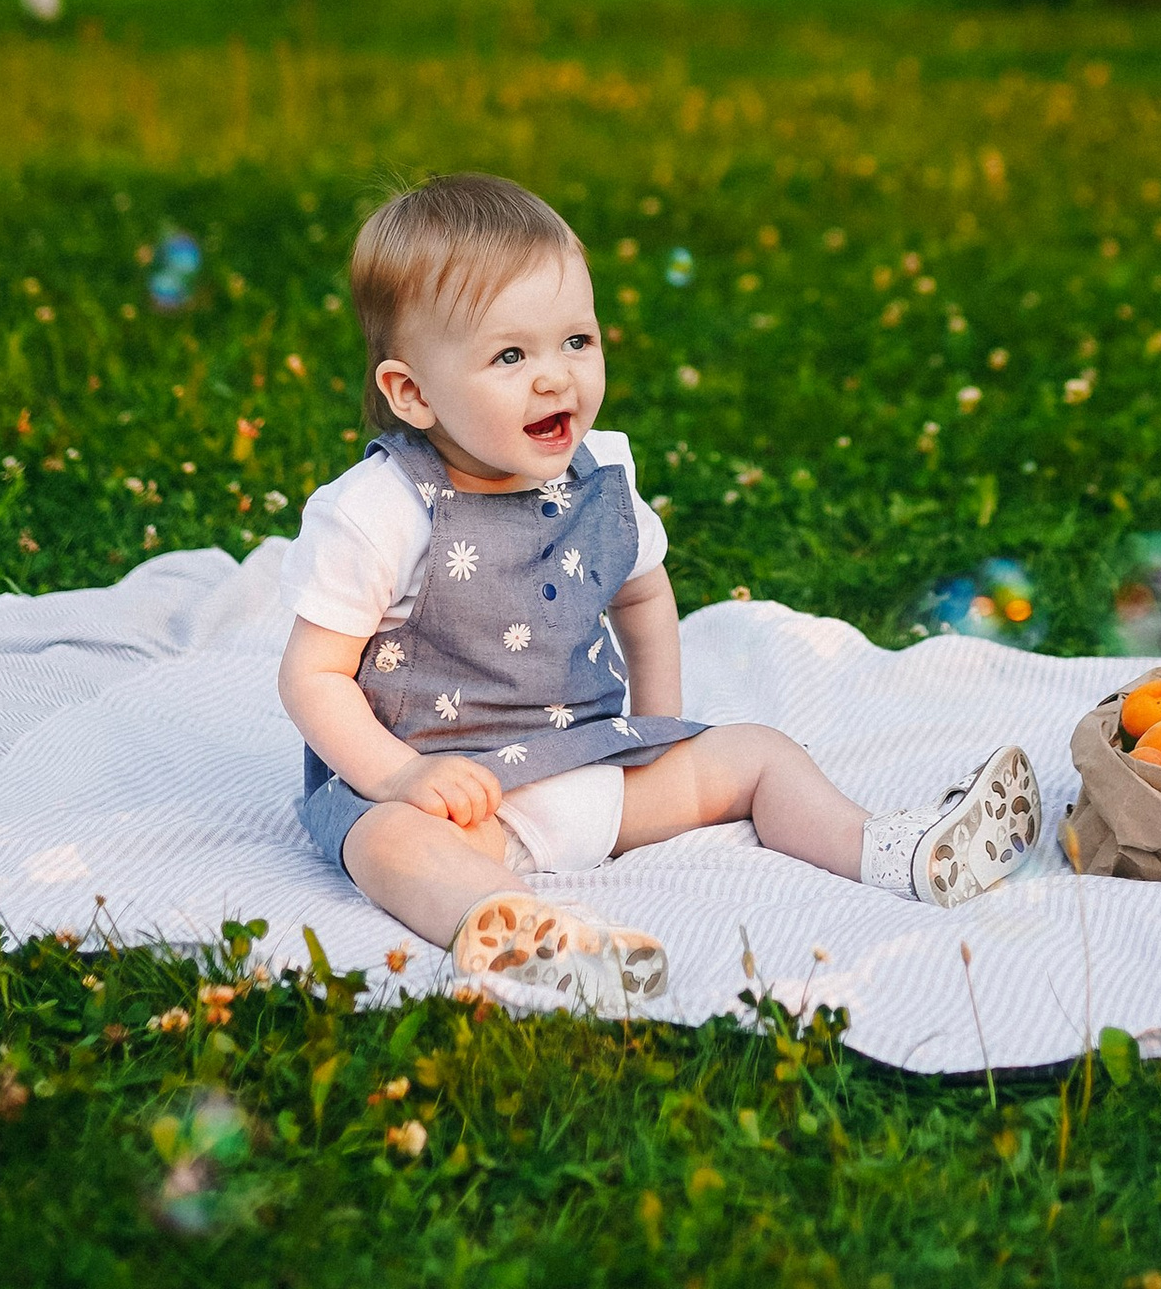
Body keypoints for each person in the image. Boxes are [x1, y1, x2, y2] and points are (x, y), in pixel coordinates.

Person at [277, 169, 1041, 1007]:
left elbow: (643, 595)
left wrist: (655, 730)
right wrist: (393, 778)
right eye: (510, 354)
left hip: (590, 766)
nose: (556, 377)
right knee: (383, 842)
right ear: (412, 392)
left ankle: (895, 850)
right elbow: (311, 675)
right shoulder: (384, 508)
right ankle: (514, 929)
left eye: (577, 340)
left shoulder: (603, 476)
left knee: (757, 752)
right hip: (460, 804)